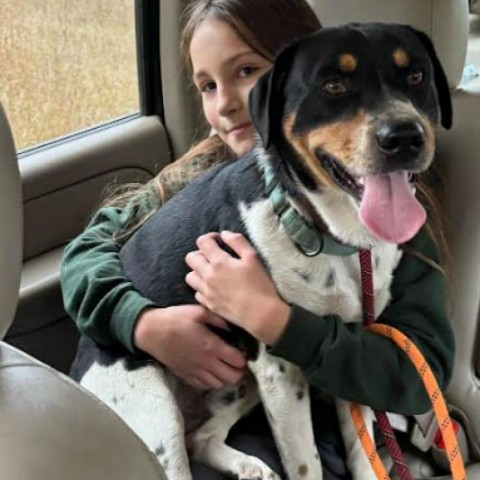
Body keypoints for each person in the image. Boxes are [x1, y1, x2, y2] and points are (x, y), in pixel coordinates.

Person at [61, 1, 454, 479]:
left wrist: (275, 321)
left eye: (247, 71)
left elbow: (420, 374)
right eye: (207, 85)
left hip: (308, 422)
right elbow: (84, 253)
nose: (228, 102)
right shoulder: (189, 179)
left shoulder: (402, 226)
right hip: (148, 378)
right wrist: (147, 326)